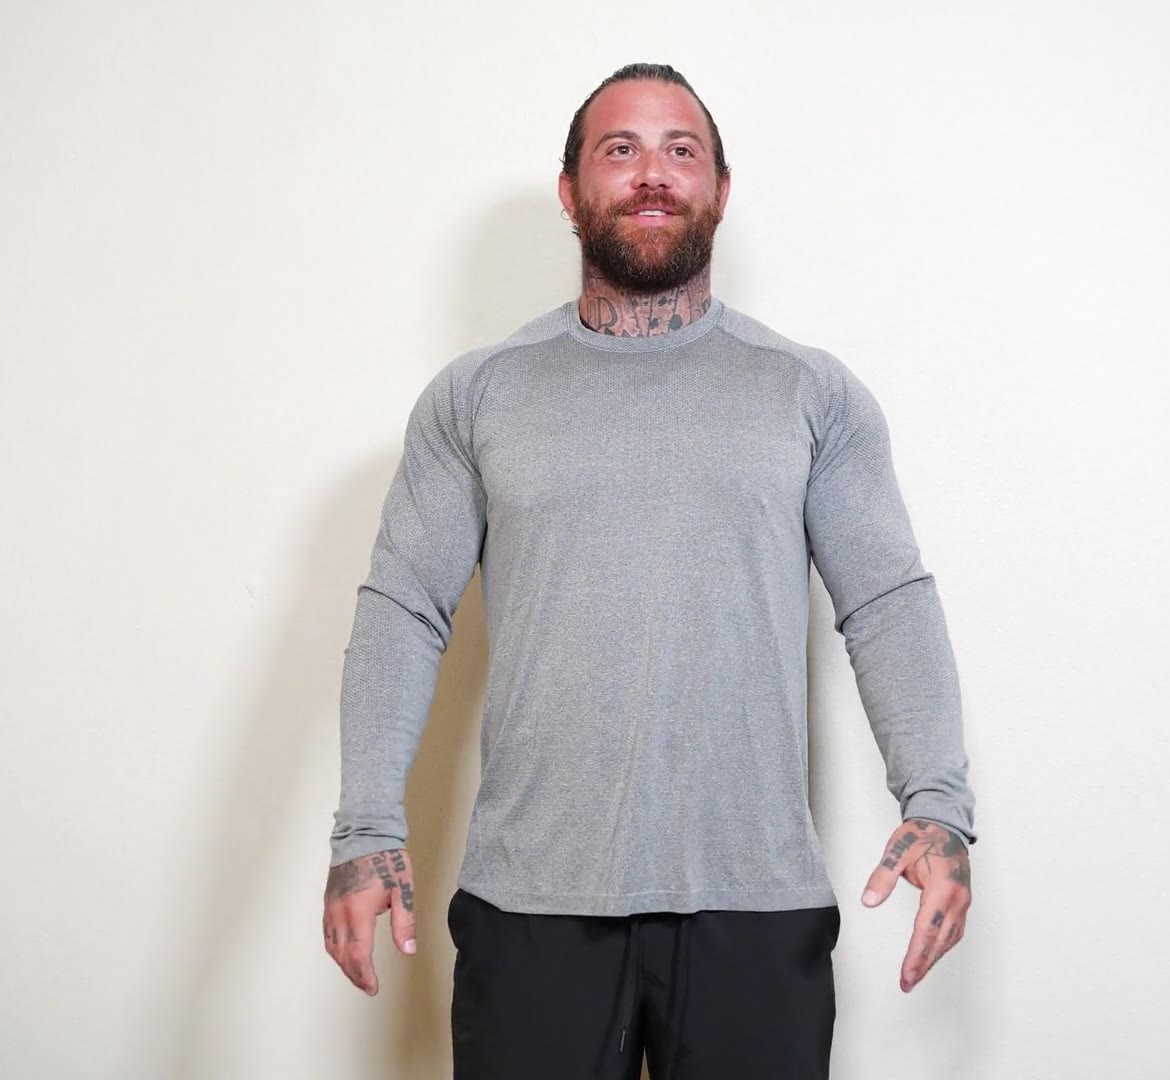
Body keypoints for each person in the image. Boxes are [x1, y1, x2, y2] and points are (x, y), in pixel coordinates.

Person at [322, 62, 977, 1079]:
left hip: (754, 902)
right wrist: (365, 825)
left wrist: (935, 802)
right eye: (619, 150)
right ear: (570, 189)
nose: (653, 173)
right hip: (530, 903)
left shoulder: (809, 393)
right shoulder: (478, 396)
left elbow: (888, 603)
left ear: (721, 187)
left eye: (682, 151)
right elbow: (406, 609)